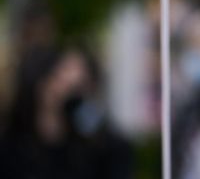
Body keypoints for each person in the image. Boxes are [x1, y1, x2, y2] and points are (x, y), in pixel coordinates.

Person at [0, 45, 134, 179]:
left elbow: (114, 146)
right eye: (57, 76)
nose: (64, 85)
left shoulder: (85, 140)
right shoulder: (13, 144)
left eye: (80, 83)